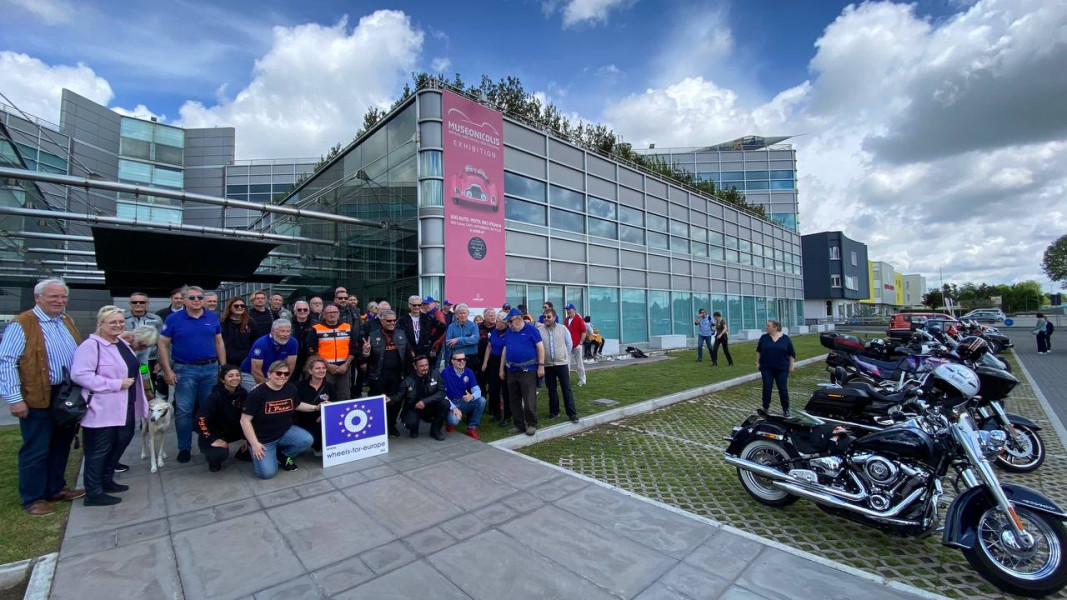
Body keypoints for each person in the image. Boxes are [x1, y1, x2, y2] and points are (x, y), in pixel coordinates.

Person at [0, 278, 84, 516]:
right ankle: (33, 498)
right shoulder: (23, 323)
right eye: (53, 296)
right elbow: (6, 362)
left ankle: (55, 488)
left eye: (63, 296)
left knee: (61, 443)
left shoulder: (66, 320)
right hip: (37, 394)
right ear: (38, 298)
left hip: (64, 394)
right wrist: (15, 398)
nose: (60, 301)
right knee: (36, 448)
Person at [72, 306, 147, 507]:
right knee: (99, 450)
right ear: (100, 324)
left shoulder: (121, 343)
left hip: (126, 404)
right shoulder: (91, 346)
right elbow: (80, 375)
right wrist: (115, 384)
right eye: (112, 322)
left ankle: (107, 480)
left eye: (121, 321)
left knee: (120, 441)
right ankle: (93, 492)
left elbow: (135, 366)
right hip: (101, 407)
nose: (118, 325)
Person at [158, 286, 227, 464]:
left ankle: (208, 443)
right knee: (184, 410)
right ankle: (184, 447)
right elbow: (163, 344)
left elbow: (219, 342)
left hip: (210, 369)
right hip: (185, 370)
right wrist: (167, 370)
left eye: (199, 297)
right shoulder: (173, 319)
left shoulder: (212, 317)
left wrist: (223, 367)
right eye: (192, 298)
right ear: (183, 300)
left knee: (209, 409)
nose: (196, 301)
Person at [240, 360, 318, 479]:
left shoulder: (290, 388)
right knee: (267, 474)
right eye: (278, 373)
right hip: (263, 439)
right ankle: (264, 452)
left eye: (286, 374)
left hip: (284, 432)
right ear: (269, 374)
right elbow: (244, 420)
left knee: (307, 439)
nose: (282, 376)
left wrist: (316, 407)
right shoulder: (257, 394)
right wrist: (255, 444)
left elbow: (297, 405)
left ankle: (283, 455)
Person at [363, 310, 408, 437]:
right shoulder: (372, 335)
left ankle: (391, 425)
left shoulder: (401, 334)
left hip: (396, 375)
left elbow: (408, 352)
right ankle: (378, 426)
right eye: (389, 320)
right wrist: (366, 352)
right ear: (382, 321)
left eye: (394, 320)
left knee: (395, 401)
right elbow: (364, 359)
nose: (392, 323)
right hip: (378, 375)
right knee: (378, 401)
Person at [499, 308, 545, 436]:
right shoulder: (509, 331)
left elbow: (540, 348)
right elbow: (505, 349)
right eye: (508, 322)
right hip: (511, 370)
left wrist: (541, 366)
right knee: (514, 399)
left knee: (529, 398)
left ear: (519, 319)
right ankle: (519, 424)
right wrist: (501, 368)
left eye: (510, 321)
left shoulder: (531, 329)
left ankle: (532, 424)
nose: (509, 324)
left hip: (528, 370)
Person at [195, 365, 249, 472]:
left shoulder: (243, 393)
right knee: (217, 454)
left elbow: (248, 415)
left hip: (235, 429)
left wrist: (246, 437)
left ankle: (243, 453)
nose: (235, 378)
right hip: (216, 432)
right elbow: (200, 419)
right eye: (230, 376)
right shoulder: (214, 397)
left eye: (237, 375)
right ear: (222, 379)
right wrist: (210, 438)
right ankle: (214, 460)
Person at [537, 309, 579, 423]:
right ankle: (554, 412)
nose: (546, 319)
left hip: (562, 364)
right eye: (544, 317)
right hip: (548, 365)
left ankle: (572, 414)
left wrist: (564, 355)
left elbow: (569, 343)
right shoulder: (539, 331)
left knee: (566, 388)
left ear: (554, 317)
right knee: (551, 390)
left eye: (548, 317)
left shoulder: (562, 328)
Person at [309, 303, 356, 400]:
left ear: (339, 314)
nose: (332, 314)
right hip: (324, 369)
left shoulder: (347, 327)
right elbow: (312, 350)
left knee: (345, 396)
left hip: (344, 368)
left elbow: (353, 348)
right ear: (324, 314)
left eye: (335, 312)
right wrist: (327, 365)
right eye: (329, 312)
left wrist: (346, 365)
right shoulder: (316, 329)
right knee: (324, 397)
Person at [293, 355, 336, 455]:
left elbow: (335, 405)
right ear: (310, 371)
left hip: (322, 422)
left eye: (323, 368)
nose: (321, 370)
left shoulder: (329, 386)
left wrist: (324, 415)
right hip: (303, 422)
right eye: (317, 368)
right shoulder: (298, 386)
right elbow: (295, 406)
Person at [400, 355, 448, 440]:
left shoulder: (435, 373)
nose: (425, 368)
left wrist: (424, 401)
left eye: (426, 365)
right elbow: (399, 395)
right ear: (415, 367)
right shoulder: (408, 379)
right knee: (410, 423)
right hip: (414, 407)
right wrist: (390, 398)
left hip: (430, 404)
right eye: (422, 366)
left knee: (445, 403)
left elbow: (442, 392)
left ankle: (435, 430)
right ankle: (414, 428)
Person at [240, 319, 298, 390]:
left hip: (275, 375)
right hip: (250, 374)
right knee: (259, 393)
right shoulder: (260, 344)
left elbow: (290, 366)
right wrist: (269, 388)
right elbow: (255, 370)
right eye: (282, 331)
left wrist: (282, 382)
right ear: (273, 331)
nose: (286, 334)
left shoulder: (293, 342)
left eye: (288, 331)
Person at [441, 351, 487, 439]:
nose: (462, 361)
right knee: (454, 421)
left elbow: (477, 390)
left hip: (463, 401)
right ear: (452, 361)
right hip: (450, 403)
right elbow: (442, 394)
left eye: (464, 359)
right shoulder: (445, 373)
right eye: (459, 360)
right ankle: (449, 422)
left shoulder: (469, 371)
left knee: (482, 400)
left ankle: (472, 428)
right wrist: (453, 408)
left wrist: (472, 396)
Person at [756, 319, 795, 416]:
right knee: (767, 388)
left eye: (768, 326)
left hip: (782, 369)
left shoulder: (785, 339)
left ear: (775, 328)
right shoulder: (764, 338)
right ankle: (765, 408)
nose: (766, 327)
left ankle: (786, 409)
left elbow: (792, 353)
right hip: (766, 368)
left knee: (782, 388)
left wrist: (791, 365)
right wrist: (757, 362)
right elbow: (759, 351)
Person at [481, 310, 510, 426]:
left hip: (504, 363)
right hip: (493, 362)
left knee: (505, 390)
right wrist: (485, 363)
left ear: (504, 323)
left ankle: (507, 416)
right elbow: (489, 346)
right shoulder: (494, 331)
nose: (495, 323)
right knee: (493, 389)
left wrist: (501, 369)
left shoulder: (509, 332)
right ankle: (496, 413)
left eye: (498, 321)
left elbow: (505, 351)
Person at [399, 295, 442, 363]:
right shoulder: (402, 320)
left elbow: (442, 327)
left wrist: (431, 339)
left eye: (419, 305)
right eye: (414, 305)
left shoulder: (427, 317)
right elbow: (401, 336)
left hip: (424, 350)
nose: (417, 307)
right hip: (409, 351)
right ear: (409, 305)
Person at [221, 297, 256, 376]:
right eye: (236, 306)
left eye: (242, 306)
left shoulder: (251, 322)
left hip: (246, 362)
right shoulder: (222, 323)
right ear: (230, 308)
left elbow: (255, 342)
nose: (240, 307)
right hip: (228, 362)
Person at [444, 303, 478, 368]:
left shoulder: (474, 326)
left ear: (468, 313)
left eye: (464, 313)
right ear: (456, 314)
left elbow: (475, 340)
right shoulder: (451, 327)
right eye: (460, 313)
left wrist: (457, 340)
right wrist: (468, 341)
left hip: (470, 358)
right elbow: (448, 343)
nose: (462, 315)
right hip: (455, 358)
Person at [563, 303, 587, 387]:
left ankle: (582, 380)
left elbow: (584, 331)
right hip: (568, 345)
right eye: (567, 310)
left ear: (574, 310)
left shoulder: (579, 319)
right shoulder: (566, 320)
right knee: (566, 363)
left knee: (579, 363)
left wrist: (580, 342)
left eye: (569, 309)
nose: (568, 311)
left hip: (577, 345)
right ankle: (566, 381)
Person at [290, 300, 316, 374]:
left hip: (310, 358)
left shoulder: (315, 324)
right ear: (295, 312)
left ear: (308, 311)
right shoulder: (289, 324)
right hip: (293, 358)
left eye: (305, 309)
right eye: (299, 310)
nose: (302, 311)